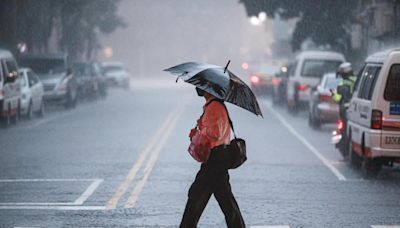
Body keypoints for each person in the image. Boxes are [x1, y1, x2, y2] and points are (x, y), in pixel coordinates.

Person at [180, 87, 245, 228]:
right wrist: (200, 128)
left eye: (203, 87)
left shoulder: (214, 107)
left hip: (216, 158)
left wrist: (199, 132)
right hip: (217, 157)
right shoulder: (213, 105)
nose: (199, 89)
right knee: (220, 198)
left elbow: (215, 133)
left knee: (199, 195)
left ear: (210, 90)